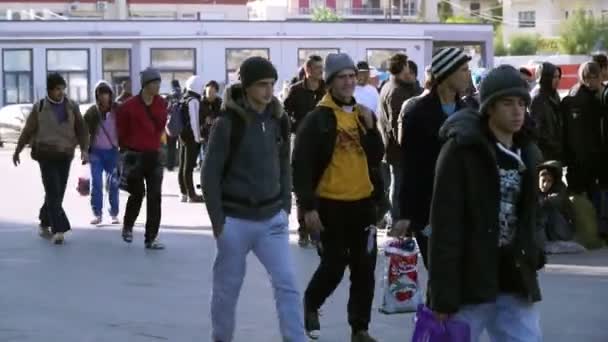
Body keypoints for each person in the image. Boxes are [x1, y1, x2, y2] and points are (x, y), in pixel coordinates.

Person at [428, 65, 544, 342]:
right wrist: (442, 295)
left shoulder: (528, 151)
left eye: (521, 103)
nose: (517, 111)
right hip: (470, 279)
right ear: (489, 107)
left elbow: (530, 213)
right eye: (507, 103)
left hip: (513, 277)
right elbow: (445, 225)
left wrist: (534, 251)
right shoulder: (461, 151)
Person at [202, 57, 305, 342]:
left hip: (272, 220)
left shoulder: (279, 119)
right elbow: (209, 174)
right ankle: (221, 338)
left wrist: (285, 207)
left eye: (271, 84)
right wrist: (218, 223)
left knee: (288, 284)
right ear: (246, 87)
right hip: (234, 222)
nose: (268, 91)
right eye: (261, 85)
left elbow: (285, 165)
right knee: (226, 290)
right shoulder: (227, 123)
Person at [293, 53, 384, 342]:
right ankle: (311, 302)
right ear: (330, 82)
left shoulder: (362, 114)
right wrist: (307, 208)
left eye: (351, 76)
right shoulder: (317, 118)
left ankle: (360, 328)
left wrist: (371, 129)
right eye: (341, 77)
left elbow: (377, 156)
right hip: (330, 205)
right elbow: (301, 166)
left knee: (364, 269)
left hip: (362, 204)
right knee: (333, 265)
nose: (348, 82)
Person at [391, 47, 471, 267]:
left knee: (458, 274)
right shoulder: (418, 113)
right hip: (428, 208)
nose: (468, 75)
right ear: (446, 74)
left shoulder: (470, 113)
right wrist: (405, 214)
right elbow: (410, 167)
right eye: (463, 70)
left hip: (462, 207)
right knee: (438, 272)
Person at [13, 73, 89, 244]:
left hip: (65, 154)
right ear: (49, 90)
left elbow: (82, 129)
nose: (60, 92)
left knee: (57, 193)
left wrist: (84, 149)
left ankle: (44, 220)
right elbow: (27, 130)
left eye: (62, 89)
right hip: (46, 155)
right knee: (53, 191)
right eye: (57, 89)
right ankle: (59, 230)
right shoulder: (39, 107)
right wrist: (18, 149)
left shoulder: (72, 106)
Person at [116, 67, 168, 250]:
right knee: (137, 194)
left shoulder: (161, 103)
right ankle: (128, 226)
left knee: (155, 197)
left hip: (154, 155)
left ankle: (151, 237)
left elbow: (161, 126)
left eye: (158, 82)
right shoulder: (128, 106)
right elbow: (120, 131)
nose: (157, 86)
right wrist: (123, 152)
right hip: (134, 156)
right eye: (154, 83)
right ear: (145, 85)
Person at [284, 54, 326, 248]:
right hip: (301, 146)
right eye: (317, 67)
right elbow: (284, 115)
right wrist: (296, 128)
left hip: (323, 146)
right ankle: (303, 231)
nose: (321, 71)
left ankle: (318, 231)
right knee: (302, 189)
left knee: (321, 188)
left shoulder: (327, 90)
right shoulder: (295, 91)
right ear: (308, 70)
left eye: (322, 67)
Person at [377, 53, 422, 226]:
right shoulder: (395, 91)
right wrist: (409, 145)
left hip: (393, 147)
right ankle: (396, 221)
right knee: (398, 186)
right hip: (398, 149)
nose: (408, 70)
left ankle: (394, 218)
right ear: (402, 67)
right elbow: (397, 124)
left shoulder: (391, 86)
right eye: (406, 66)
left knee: (395, 184)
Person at [561, 62, 603, 195]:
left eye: (595, 77)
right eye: (590, 77)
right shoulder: (586, 99)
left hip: (577, 158)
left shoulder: (576, 93)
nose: (594, 81)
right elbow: (579, 134)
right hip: (584, 159)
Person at [84, 80, 120, 225]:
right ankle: (97, 213)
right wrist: (83, 149)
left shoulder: (117, 109)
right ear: (97, 96)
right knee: (96, 184)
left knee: (113, 184)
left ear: (111, 95)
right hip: (96, 152)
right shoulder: (92, 111)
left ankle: (114, 213)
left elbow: (128, 124)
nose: (104, 97)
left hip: (113, 152)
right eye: (101, 94)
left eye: (107, 94)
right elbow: (82, 129)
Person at [530, 62, 564, 162]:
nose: (557, 80)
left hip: (555, 151)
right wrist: (552, 144)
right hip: (544, 153)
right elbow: (537, 130)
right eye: (554, 77)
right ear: (545, 78)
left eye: (558, 77)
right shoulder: (538, 98)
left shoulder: (554, 94)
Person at [178, 75, 204, 203]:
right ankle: (191, 195)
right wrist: (198, 138)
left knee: (183, 165)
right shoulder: (194, 101)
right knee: (188, 167)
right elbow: (194, 122)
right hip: (191, 137)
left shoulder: (184, 98)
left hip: (182, 136)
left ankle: (183, 193)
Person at [199, 80, 222, 170]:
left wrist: (216, 120)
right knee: (205, 159)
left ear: (216, 92)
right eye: (208, 91)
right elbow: (197, 120)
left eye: (212, 92)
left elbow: (223, 116)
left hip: (217, 135)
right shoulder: (200, 103)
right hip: (204, 135)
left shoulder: (219, 103)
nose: (210, 93)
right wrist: (205, 123)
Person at [165, 80, 182, 171]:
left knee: (170, 146)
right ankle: (181, 164)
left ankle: (170, 165)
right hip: (181, 124)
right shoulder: (182, 95)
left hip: (170, 125)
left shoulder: (169, 96)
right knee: (181, 146)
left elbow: (166, 110)